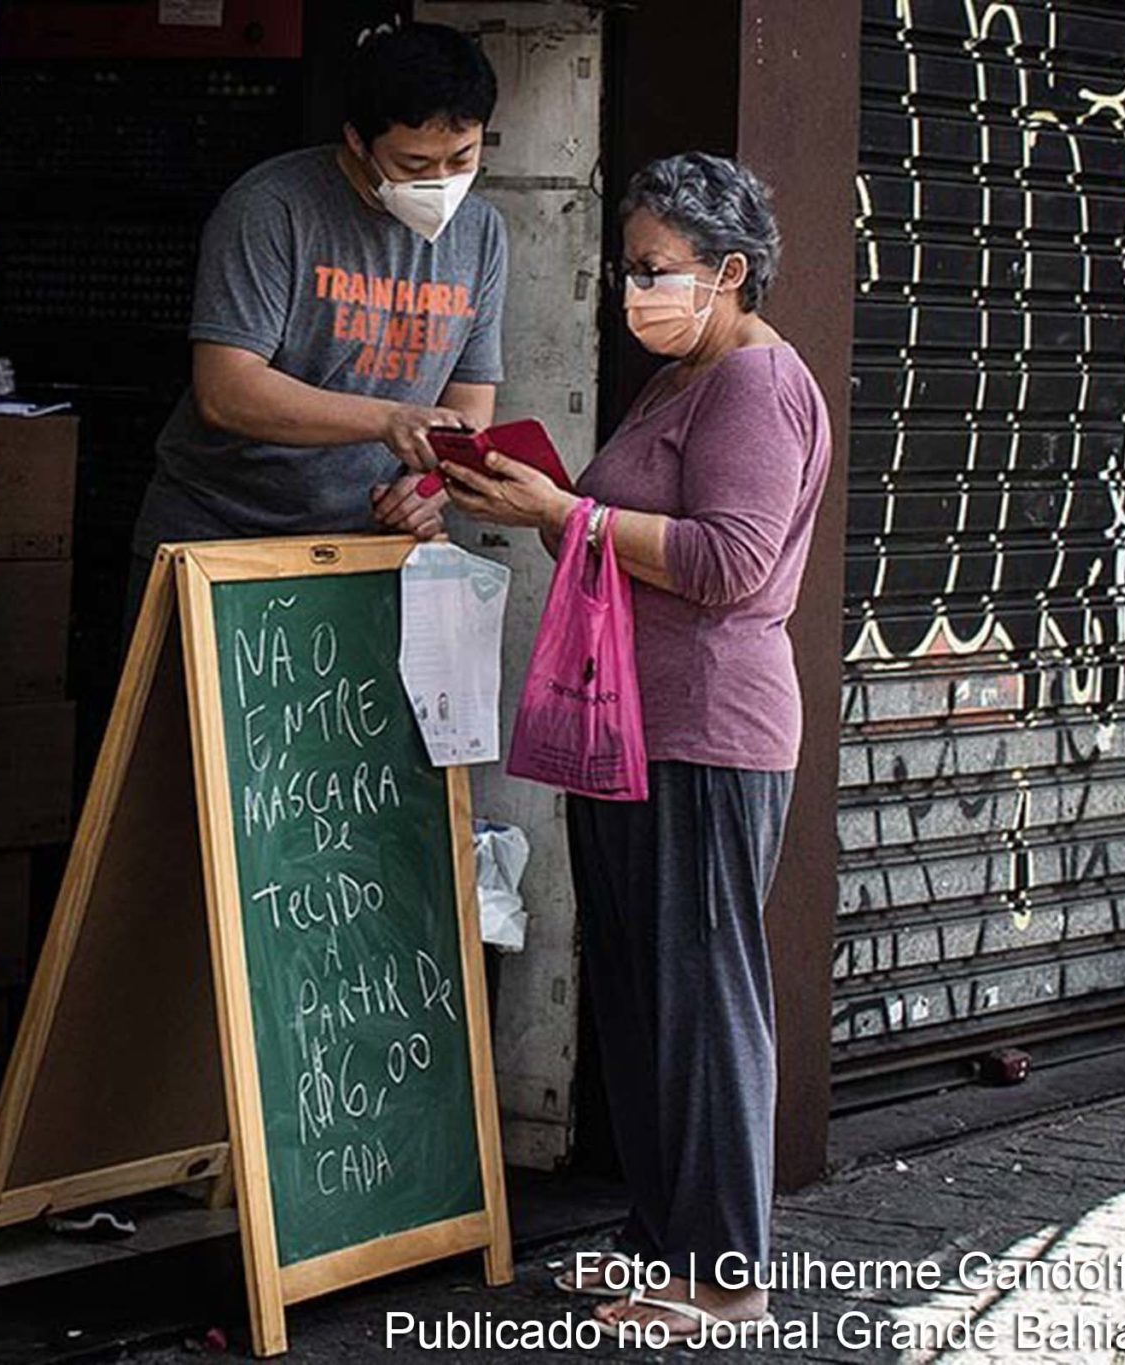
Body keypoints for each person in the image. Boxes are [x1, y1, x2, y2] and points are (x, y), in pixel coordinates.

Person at [439, 152, 832, 1336]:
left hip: (707, 733)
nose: (633, 290)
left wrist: (563, 513)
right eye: (627, 267)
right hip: (630, 725)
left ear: (729, 272)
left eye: (656, 270)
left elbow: (725, 565)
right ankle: (660, 1242)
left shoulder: (755, 387)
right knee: (640, 996)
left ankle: (724, 1279)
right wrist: (532, 501)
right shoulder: (678, 382)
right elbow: (625, 544)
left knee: (704, 1002)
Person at [126, 21, 508, 620]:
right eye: (412, 164)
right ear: (357, 141)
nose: (440, 182)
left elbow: (468, 406)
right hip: (221, 538)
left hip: (367, 545)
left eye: (461, 158)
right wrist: (389, 420)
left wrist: (428, 490)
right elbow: (226, 393)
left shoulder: (482, 232)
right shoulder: (271, 208)